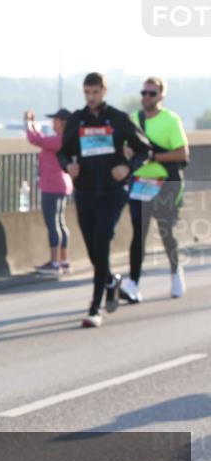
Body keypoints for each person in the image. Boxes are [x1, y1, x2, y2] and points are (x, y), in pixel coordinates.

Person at [57, 72, 152, 328]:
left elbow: (145, 149)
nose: (91, 97)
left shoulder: (119, 118)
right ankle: (111, 282)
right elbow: (62, 152)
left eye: (95, 92)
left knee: (102, 243)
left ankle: (95, 308)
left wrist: (128, 167)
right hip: (85, 192)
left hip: (112, 192)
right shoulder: (77, 120)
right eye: (87, 93)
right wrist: (68, 166)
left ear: (104, 91)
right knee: (92, 249)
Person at [121, 76, 189, 302]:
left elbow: (182, 153)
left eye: (152, 93)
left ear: (161, 96)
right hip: (140, 183)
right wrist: (128, 154)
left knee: (166, 232)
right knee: (138, 234)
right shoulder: (133, 119)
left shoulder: (171, 120)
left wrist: (153, 157)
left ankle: (175, 271)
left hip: (165, 184)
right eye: (144, 93)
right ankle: (133, 283)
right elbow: (124, 148)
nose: (147, 97)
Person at [24, 107, 73, 274]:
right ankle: (63, 260)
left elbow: (36, 140)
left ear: (63, 123)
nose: (53, 122)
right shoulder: (64, 139)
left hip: (52, 185)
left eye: (55, 120)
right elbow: (42, 139)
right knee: (60, 222)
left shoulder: (59, 139)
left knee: (53, 223)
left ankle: (54, 262)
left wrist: (28, 123)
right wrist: (33, 125)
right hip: (62, 184)